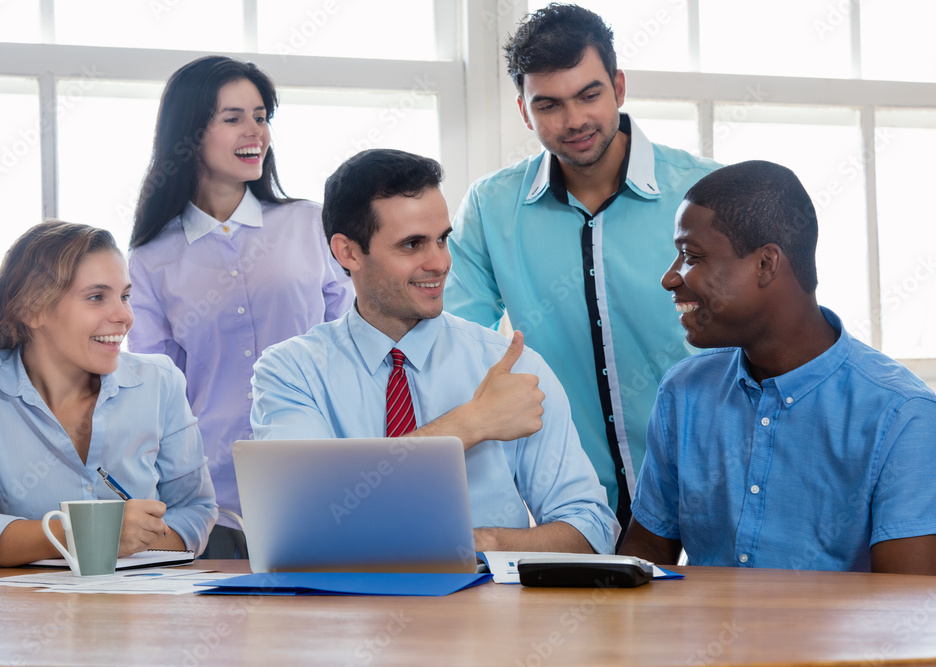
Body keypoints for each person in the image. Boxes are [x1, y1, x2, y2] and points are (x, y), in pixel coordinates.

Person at [251, 149, 619, 554]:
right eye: (412, 244)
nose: (440, 263)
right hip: (342, 595)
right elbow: (305, 516)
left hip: (484, 594)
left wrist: (486, 542)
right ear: (348, 252)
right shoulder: (291, 372)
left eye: (442, 239)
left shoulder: (512, 368)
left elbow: (592, 529)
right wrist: (471, 423)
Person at [444, 3, 719, 530]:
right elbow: (455, 342)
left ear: (618, 87)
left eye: (589, 95)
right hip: (573, 506)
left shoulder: (704, 189)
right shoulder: (490, 206)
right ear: (524, 111)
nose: (573, 122)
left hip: (710, 482)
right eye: (548, 105)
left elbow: (757, 332)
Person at [618, 160, 936, 574]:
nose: (670, 278)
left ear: (766, 264)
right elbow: (645, 554)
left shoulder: (903, 415)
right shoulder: (684, 390)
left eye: (691, 257)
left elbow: (906, 601)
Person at [127, 55, 354, 557]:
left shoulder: (310, 225)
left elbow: (355, 348)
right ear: (189, 134)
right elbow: (157, 394)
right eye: (233, 118)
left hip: (324, 479)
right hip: (209, 500)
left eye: (261, 117)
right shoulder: (150, 258)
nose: (256, 132)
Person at [0, 220, 217, 568]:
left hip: (140, 598)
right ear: (32, 309)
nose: (124, 316)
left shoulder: (160, 381)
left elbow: (195, 510)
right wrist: (90, 532)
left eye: (125, 296)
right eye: (96, 297)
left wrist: (128, 542)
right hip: (19, 601)